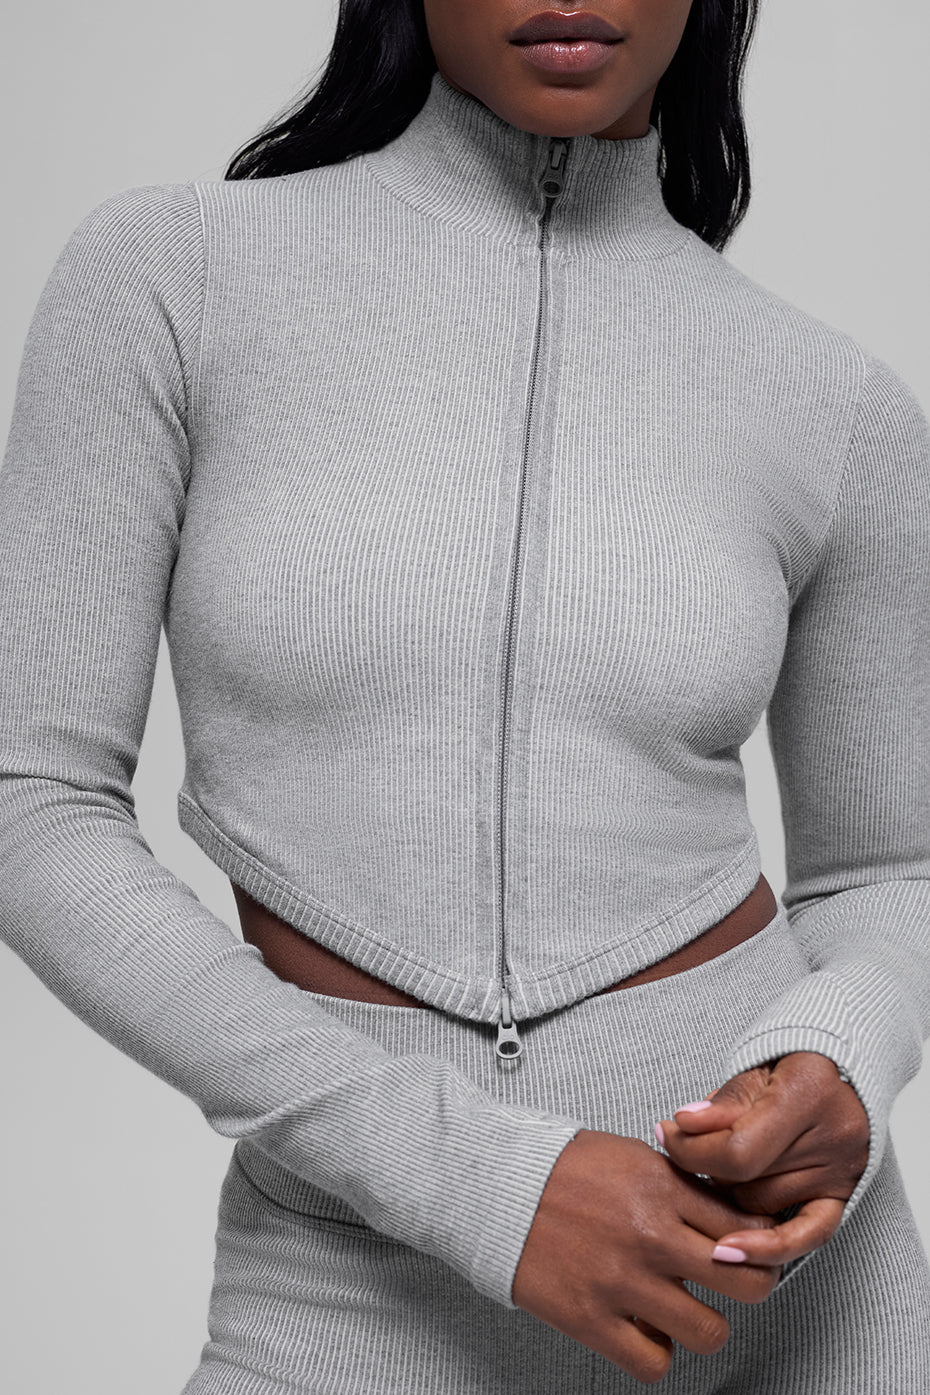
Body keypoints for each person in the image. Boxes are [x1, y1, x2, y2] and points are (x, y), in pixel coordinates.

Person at [1, 0, 929, 1389]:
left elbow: (887, 871)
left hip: (786, 1299)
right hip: (350, 1281)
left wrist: (837, 1051)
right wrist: (472, 1179)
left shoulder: (833, 401)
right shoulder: (173, 277)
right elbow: (32, 801)